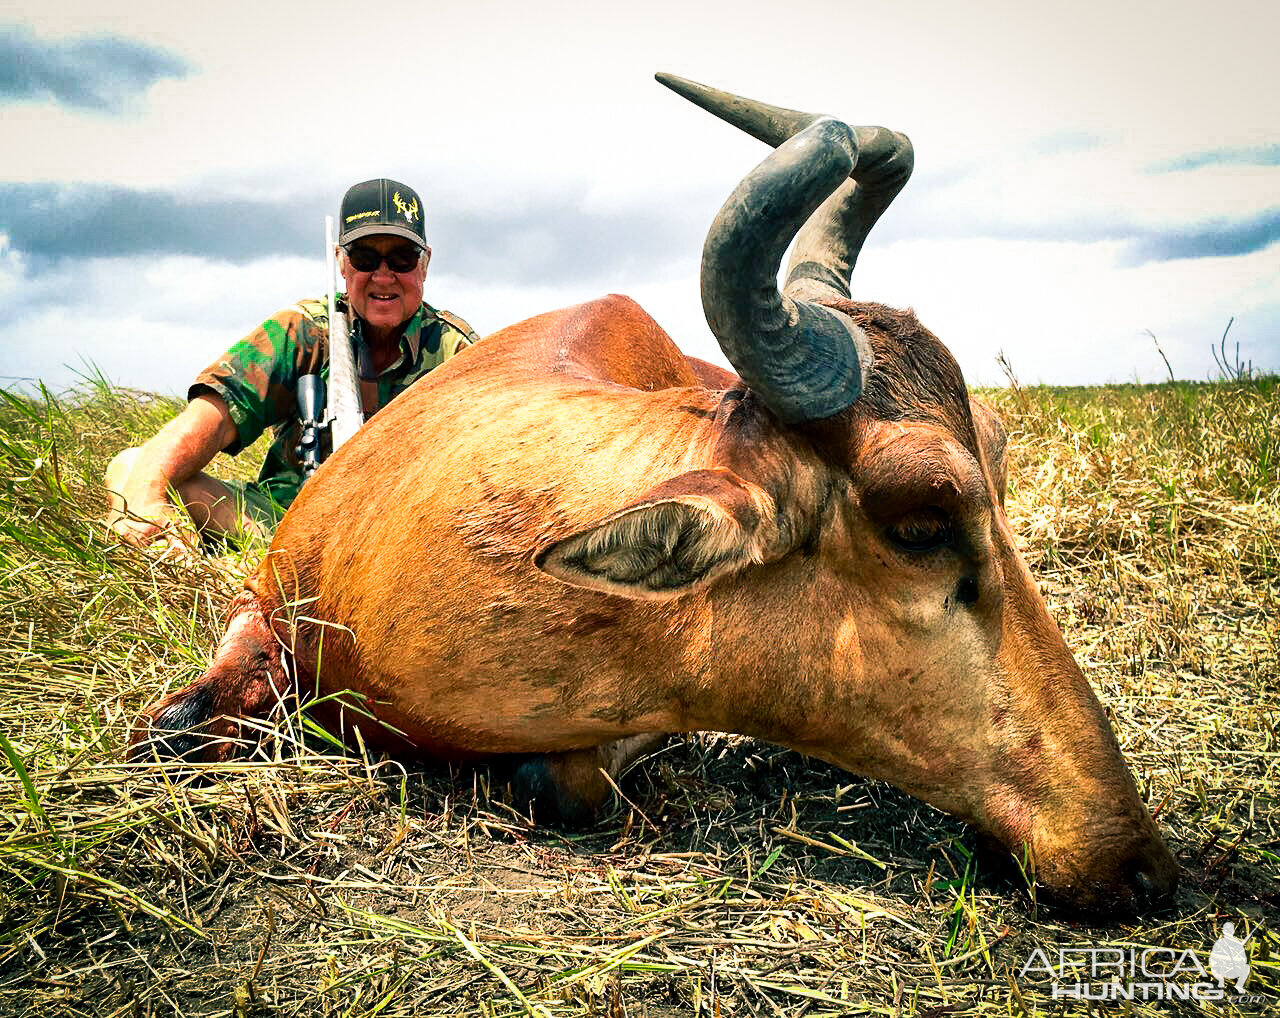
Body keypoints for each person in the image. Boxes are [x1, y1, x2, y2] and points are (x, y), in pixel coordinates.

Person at [105, 178, 478, 549]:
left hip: (403, 543)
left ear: (425, 263)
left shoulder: (461, 355)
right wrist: (147, 501)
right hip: (277, 528)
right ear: (341, 263)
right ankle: (185, 567)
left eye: (401, 258)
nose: (383, 275)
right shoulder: (302, 332)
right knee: (134, 469)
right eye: (365, 258)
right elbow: (211, 420)